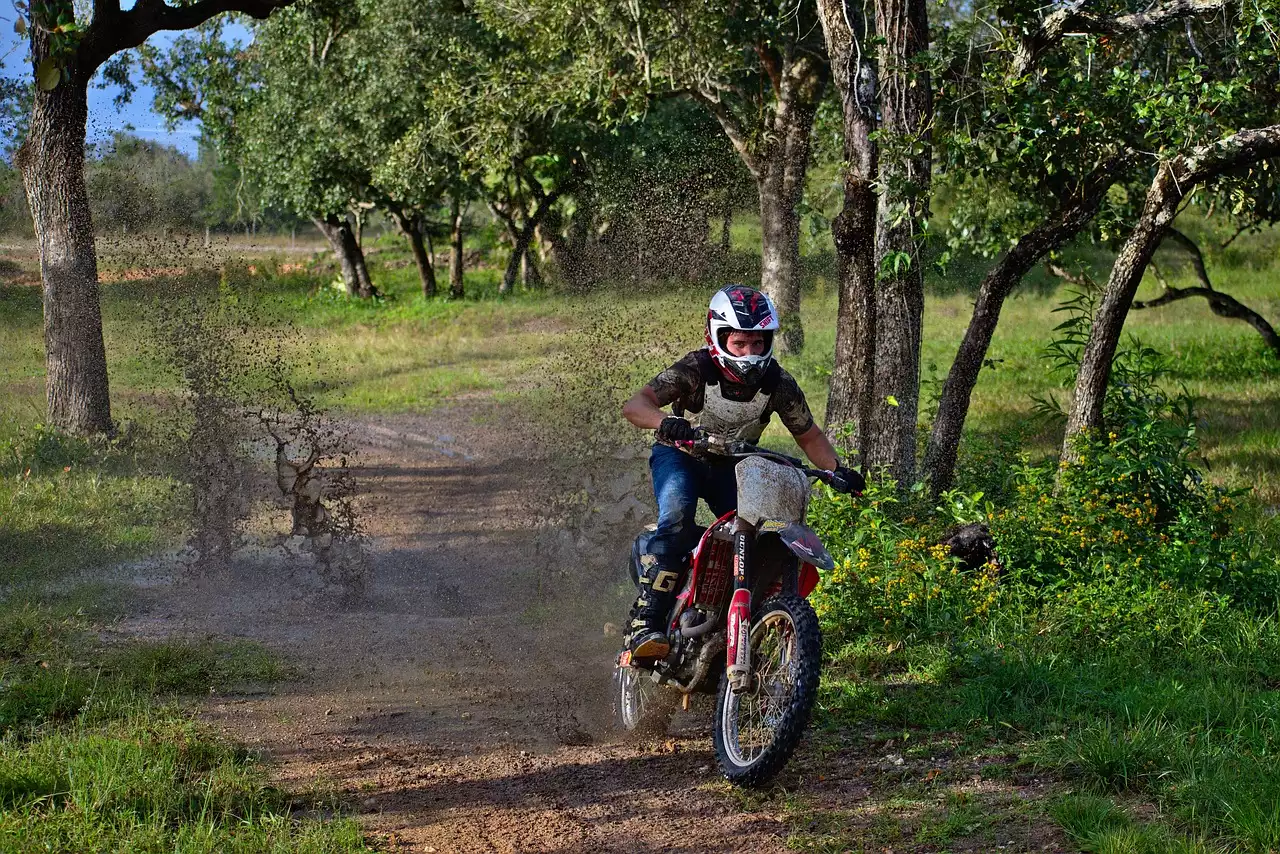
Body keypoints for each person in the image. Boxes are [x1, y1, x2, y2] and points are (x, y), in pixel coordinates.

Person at [620, 284, 863, 660]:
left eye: (757, 344)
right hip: (680, 457)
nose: (749, 354)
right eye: (739, 344)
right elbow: (636, 404)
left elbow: (809, 434)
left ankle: (742, 622)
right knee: (677, 518)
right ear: (716, 337)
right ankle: (645, 623)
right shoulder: (695, 369)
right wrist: (665, 423)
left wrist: (838, 470)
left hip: (733, 467)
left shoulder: (778, 384)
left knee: (764, 532)